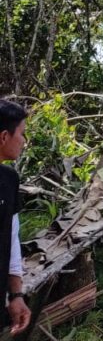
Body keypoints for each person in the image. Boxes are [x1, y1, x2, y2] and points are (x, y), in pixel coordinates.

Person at [0, 100, 30, 336]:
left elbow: (11, 240)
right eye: (21, 134)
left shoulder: (9, 180)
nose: (23, 141)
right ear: (3, 137)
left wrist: (16, 295)